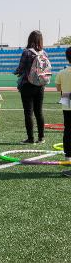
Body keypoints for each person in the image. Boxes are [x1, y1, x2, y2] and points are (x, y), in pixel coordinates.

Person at [14, 30, 47, 144]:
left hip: (27, 85)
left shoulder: (27, 52)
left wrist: (16, 72)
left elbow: (20, 69)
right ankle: (41, 137)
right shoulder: (44, 53)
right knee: (39, 112)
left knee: (28, 112)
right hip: (40, 85)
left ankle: (30, 138)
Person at [55, 47, 71, 175]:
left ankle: (68, 156)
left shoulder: (62, 72)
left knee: (68, 131)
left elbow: (58, 88)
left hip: (67, 102)